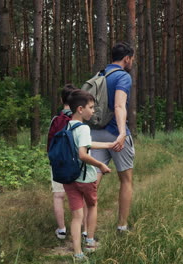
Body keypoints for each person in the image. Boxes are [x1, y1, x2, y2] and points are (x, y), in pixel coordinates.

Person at [63, 90, 113, 260]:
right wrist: (101, 165)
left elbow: (86, 144)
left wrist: (108, 145)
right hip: (85, 178)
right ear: (80, 109)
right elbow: (83, 154)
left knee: (76, 216)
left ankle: (77, 253)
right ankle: (90, 243)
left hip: (69, 178)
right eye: (91, 107)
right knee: (92, 206)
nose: (93, 111)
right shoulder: (84, 127)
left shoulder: (68, 125)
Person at [91, 42, 135, 232]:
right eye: (132, 58)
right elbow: (119, 106)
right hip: (116, 134)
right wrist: (122, 132)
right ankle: (122, 226)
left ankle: (85, 229)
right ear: (126, 58)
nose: (132, 61)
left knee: (93, 181)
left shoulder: (99, 75)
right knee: (126, 179)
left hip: (96, 133)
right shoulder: (123, 76)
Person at [47, 84, 75, 240]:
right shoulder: (78, 119)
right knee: (78, 195)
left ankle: (62, 230)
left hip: (58, 164)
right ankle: (82, 229)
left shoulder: (56, 120)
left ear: (61, 99)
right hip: (76, 164)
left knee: (58, 196)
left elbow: (49, 145)